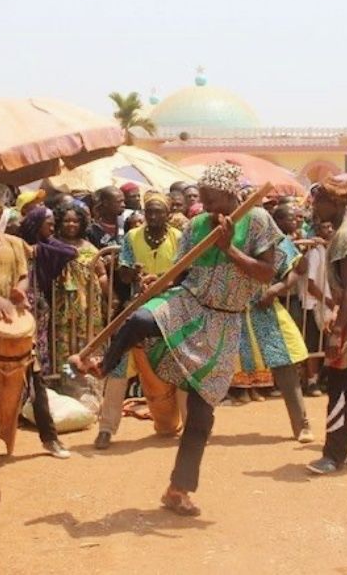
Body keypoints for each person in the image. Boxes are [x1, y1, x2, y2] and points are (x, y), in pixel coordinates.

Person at [73, 163, 281, 516]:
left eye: (212, 200)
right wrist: (157, 281)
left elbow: (266, 273)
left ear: (230, 194)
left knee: (201, 417)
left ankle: (178, 489)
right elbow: (181, 271)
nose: (204, 206)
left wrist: (229, 247)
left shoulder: (259, 220)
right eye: (202, 200)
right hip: (190, 303)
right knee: (140, 318)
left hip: (224, 324)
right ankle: (102, 366)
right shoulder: (197, 225)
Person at [0, 196, 71, 459]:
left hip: (15, 321)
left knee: (35, 380)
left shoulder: (16, 244)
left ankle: (50, 439)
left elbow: (22, 276)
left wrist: (19, 291)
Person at [95, 192, 182, 449]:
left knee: (181, 364)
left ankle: (189, 427)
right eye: (150, 212)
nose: (154, 216)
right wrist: (133, 273)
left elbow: (185, 272)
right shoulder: (132, 237)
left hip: (171, 307)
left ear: (168, 214)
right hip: (138, 307)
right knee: (120, 365)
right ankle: (106, 429)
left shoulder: (178, 238)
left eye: (159, 212)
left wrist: (161, 279)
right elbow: (122, 274)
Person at [233, 205, 314, 442]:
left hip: (262, 308)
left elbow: (300, 265)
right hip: (226, 309)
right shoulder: (218, 233)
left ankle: (302, 425)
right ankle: (195, 426)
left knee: (284, 361)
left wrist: (278, 288)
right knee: (207, 363)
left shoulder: (269, 236)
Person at [307, 178, 347, 474]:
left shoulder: (346, 236)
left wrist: (337, 332)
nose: (315, 207)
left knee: (340, 389)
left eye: (319, 201)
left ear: (336, 203)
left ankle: (333, 455)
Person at [19, 207, 76, 376]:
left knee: (40, 339)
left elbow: (71, 252)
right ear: (37, 224)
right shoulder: (18, 241)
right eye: (48, 225)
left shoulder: (48, 242)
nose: (52, 229)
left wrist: (41, 248)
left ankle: (40, 376)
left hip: (40, 299)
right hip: (21, 300)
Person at [53, 201, 108, 372]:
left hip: (88, 306)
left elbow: (102, 273)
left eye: (75, 221)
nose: (71, 225)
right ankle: (65, 377)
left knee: (87, 338)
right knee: (63, 340)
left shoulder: (89, 247)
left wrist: (110, 296)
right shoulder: (53, 245)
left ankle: (87, 376)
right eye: (66, 221)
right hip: (62, 304)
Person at [299, 221, 335, 397]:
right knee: (313, 345)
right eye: (324, 227)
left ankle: (324, 378)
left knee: (328, 343)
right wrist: (327, 300)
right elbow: (310, 284)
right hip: (313, 304)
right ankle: (312, 382)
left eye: (331, 227)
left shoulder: (332, 251)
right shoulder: (315, 253)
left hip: (328, 305)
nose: (328, 231)